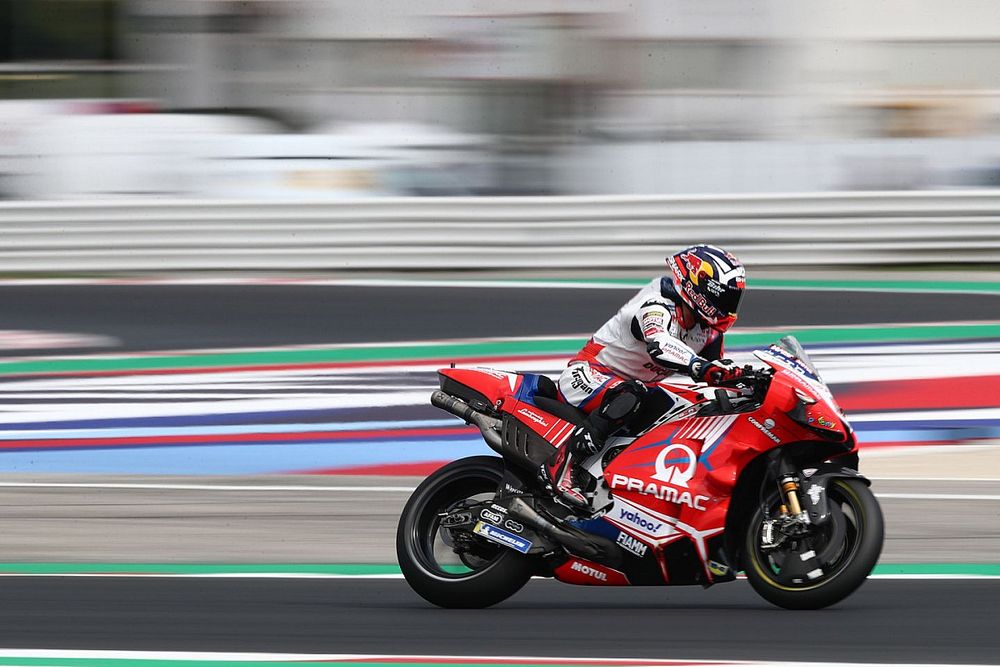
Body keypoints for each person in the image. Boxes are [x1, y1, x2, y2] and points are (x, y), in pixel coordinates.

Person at [542, 244, 747, 510]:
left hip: (633, 388)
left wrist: (747, 379)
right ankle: (562, 467)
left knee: (684, 406)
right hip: (589, 375)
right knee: (632, 394)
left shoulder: (707, 331)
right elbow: (660, 344)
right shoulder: (656, 303)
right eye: (726, 298)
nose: (729, 307)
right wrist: (698, 366)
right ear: (701, 287)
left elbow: (717, 370)